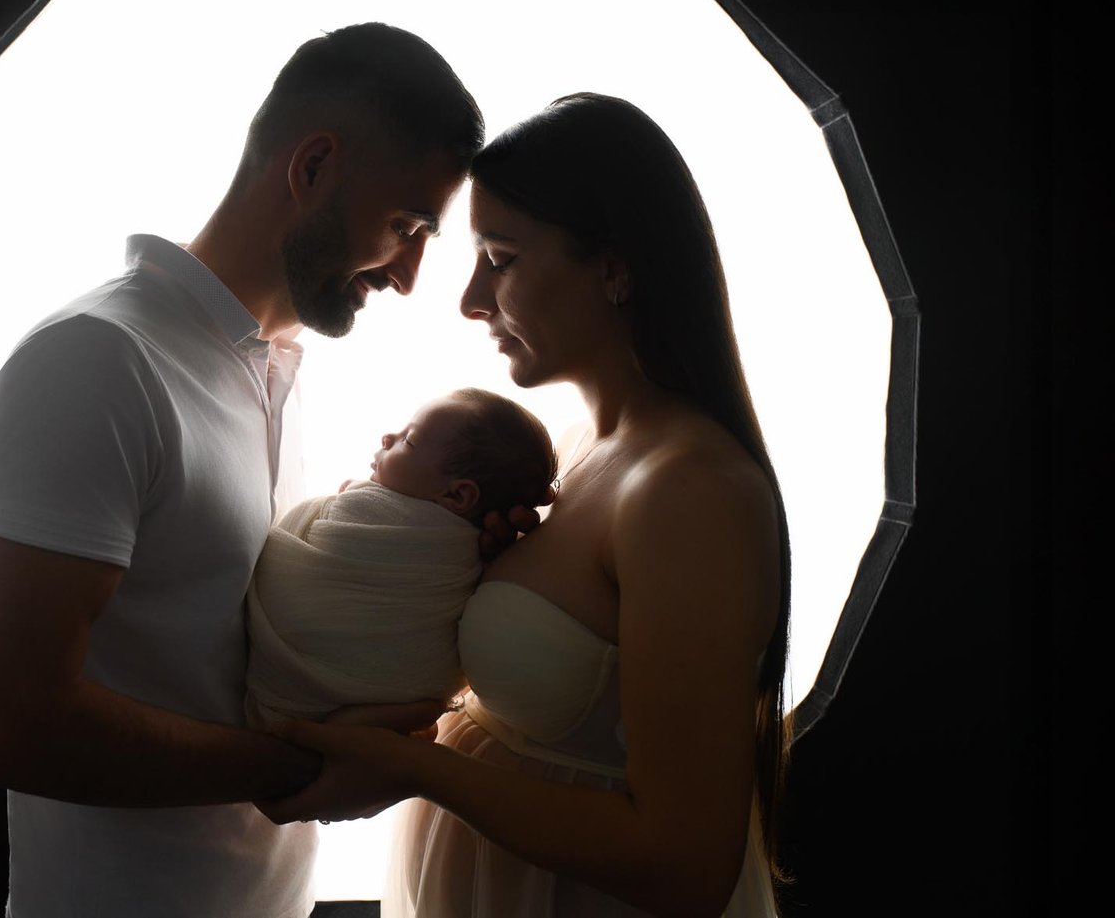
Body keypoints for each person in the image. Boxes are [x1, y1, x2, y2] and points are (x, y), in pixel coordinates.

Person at [0, 23, 484, 918]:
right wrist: (307, 769)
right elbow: (10, 726)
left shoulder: (272, 368)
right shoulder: (98, 361)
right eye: (406, 227)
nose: (408, 275)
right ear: (312, 166)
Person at [260, 93, 792, 918]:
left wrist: (413, 767)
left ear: (615, 268)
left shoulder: (691, 491)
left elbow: (686, 865)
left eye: (500, 259)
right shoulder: (575, 452)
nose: (471, 299)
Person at [245, 388, 557, 729]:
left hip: (297, 692)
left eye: (408, 440)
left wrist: (353, 495)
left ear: (458, 494)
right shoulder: (469, 549)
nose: (387, 437)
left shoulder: (377, 514)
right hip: (378, 703)